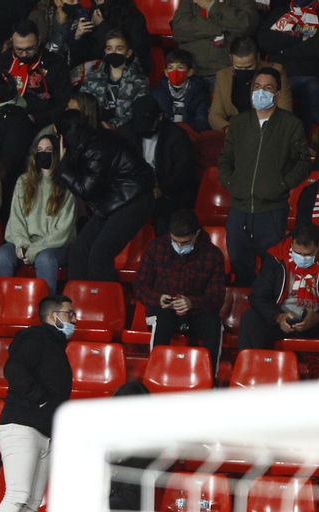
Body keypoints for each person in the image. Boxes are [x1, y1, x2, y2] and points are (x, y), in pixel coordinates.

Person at [220, 67, 310, 286]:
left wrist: (282, 185)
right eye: (257, 87)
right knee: (240, 264)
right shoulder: (239, 123)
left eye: (268, 88)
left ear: (277, 94)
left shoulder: (291, 125)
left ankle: (268, 311)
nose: (261, 92)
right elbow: (225, 159)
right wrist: (232, 184)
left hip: (271, 209)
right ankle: (243, 311)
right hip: (239, 208)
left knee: (271, 266)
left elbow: (303, 162)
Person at [0, 295, 74, 512]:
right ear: (53, 316)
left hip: (45, 433)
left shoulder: (56, 346)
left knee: (31, 505)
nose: (74, 319)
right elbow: (13, 369)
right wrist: (40, 400)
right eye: (69, 313)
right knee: (17, 496)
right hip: (21, 427)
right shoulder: (36, 337)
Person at [55, 110, 155, 283]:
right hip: (114, 200)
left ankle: (103, 305)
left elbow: (86, 190)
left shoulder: (95, 148)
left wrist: (63, 170)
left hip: (135, 199)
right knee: (79, 249)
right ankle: (77, 300)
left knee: (100, 254)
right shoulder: (88, 143)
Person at [134, 209, 227, 372]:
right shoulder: (156, 248)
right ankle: (156, 373)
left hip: (197, 312)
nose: (179, 246)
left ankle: (210, 377)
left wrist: (192, 303)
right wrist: (158, 299)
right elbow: (140, 286)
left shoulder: (213, 255)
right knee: (162, 320)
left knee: (213, 323)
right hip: (163, 310)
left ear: (196, 234)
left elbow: (217, 297)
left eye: (184, 243)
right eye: (175, 241)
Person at [0, 133, 78, 289]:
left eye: (48, 149)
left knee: (45, 259)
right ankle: (4, 305)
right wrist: (23, 245)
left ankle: (46, 309)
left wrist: (33, 250)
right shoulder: (23, 181)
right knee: (1, 256)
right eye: (39, 149)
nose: (43, 153)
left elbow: (62, 232)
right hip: (25, 243)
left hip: (55, 246)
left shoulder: (67, 185)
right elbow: (15, 220)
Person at [242, 220, 319, 351]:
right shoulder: (277, 257)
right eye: (298, 253)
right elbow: (258, 296)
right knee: (250, 319)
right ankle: (252, 369)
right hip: (282, 321)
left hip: (315, 324)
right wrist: (278, 317)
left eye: (308, 255)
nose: (302, 258)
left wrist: (316, 318)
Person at [0, 21, 72, 129]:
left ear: (39, 40)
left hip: (42, 123)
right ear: (12, 42)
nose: (25, 54)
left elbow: (63, 104)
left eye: (30, 49)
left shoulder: (56, 64)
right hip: (2, 120)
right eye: (19, 49)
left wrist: (37, 118)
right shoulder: (1, 62)